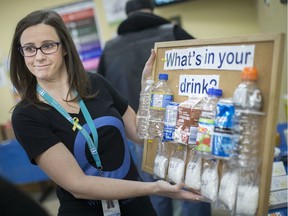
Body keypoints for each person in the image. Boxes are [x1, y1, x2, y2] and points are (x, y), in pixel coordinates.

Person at [9, 10, 203, 216]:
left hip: (138, 208)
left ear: (64, 47)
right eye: (29, 49)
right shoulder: (26, 115)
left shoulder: (95, 83)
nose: (38, 56)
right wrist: (155, 188)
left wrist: (148, 88)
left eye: (48, 46)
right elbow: (78, 185)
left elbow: (139, 134)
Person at [97, 1, 211, 216]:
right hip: (183, 130)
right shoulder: (173, 33)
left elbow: (102, 94)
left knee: (155, 193)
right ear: (152, 8)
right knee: (193, 189)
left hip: (137, 132)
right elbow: (209, 69)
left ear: (127, 14)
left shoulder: (110, 49)